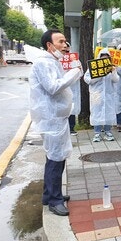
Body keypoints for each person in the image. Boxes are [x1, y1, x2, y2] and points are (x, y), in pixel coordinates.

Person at [29, 29, 83, 216]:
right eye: (60, 41)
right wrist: (74, 72)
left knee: (55, 157)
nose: (65, 44)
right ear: (49, 45)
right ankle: (54, 200)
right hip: (51, 119)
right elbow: (53, 87)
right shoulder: (44, 63)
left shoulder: (52, 61)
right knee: (55, 158)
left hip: (56, 117)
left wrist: (72, 72)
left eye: (66, 41)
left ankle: (50, 194)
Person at [84, 48, 119, 142]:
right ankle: (97, 133)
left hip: (108, 95)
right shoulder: (93, 68)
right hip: (96, 95)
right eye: (102, 58)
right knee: (96, 113)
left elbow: (116, 80)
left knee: (108, 113)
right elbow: (87, 79)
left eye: (106, 59)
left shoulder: (111, 68)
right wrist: (99, 75)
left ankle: (108, 131)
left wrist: (113, 72)